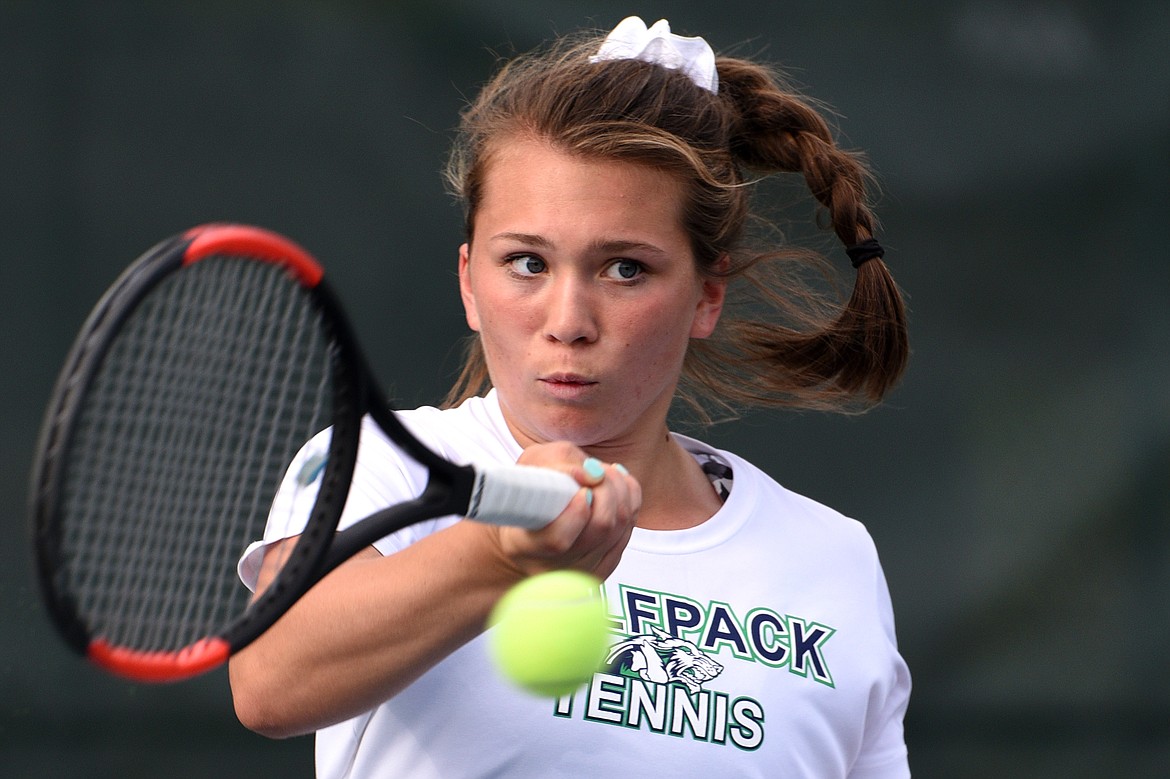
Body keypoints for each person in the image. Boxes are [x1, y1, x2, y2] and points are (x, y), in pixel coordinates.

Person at [230, 16, 911, 778]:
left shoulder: (833, 558)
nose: (568, 323)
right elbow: (268, 680)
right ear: (468, 281)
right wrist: (499, 552)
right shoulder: (380, 464)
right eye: (526, 262)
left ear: (705, 295)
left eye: (625, 269)